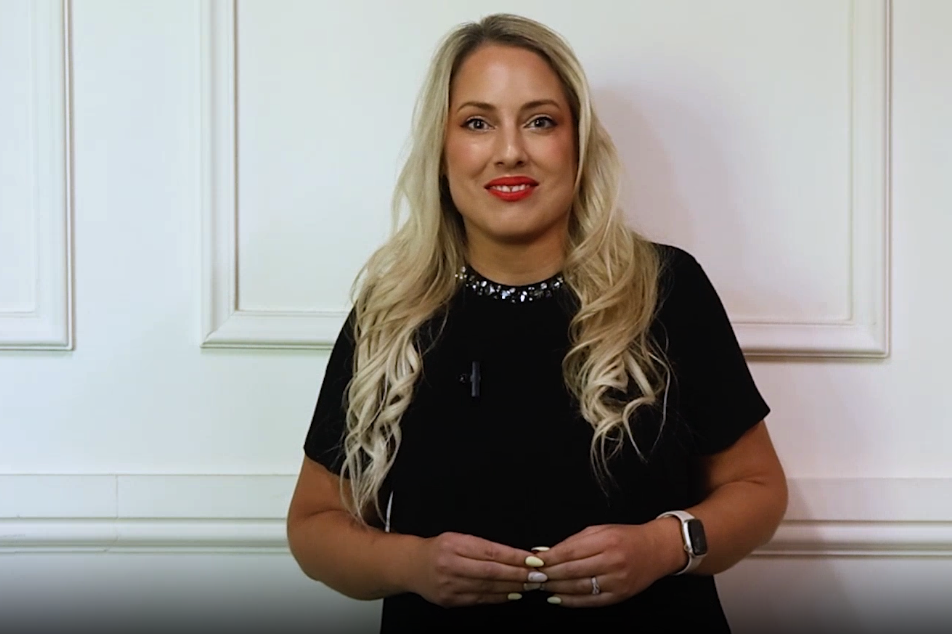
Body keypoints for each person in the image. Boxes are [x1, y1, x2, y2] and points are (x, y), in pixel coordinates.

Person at [285, 12, 788, 633]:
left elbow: (759, 488)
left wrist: (662, 546)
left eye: (540, 121)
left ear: (577, 144)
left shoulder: (665, 287)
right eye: (477, 122)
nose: (510, 150)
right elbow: (312, 525)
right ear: (442, 151)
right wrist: (412, 562)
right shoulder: (393, 307)